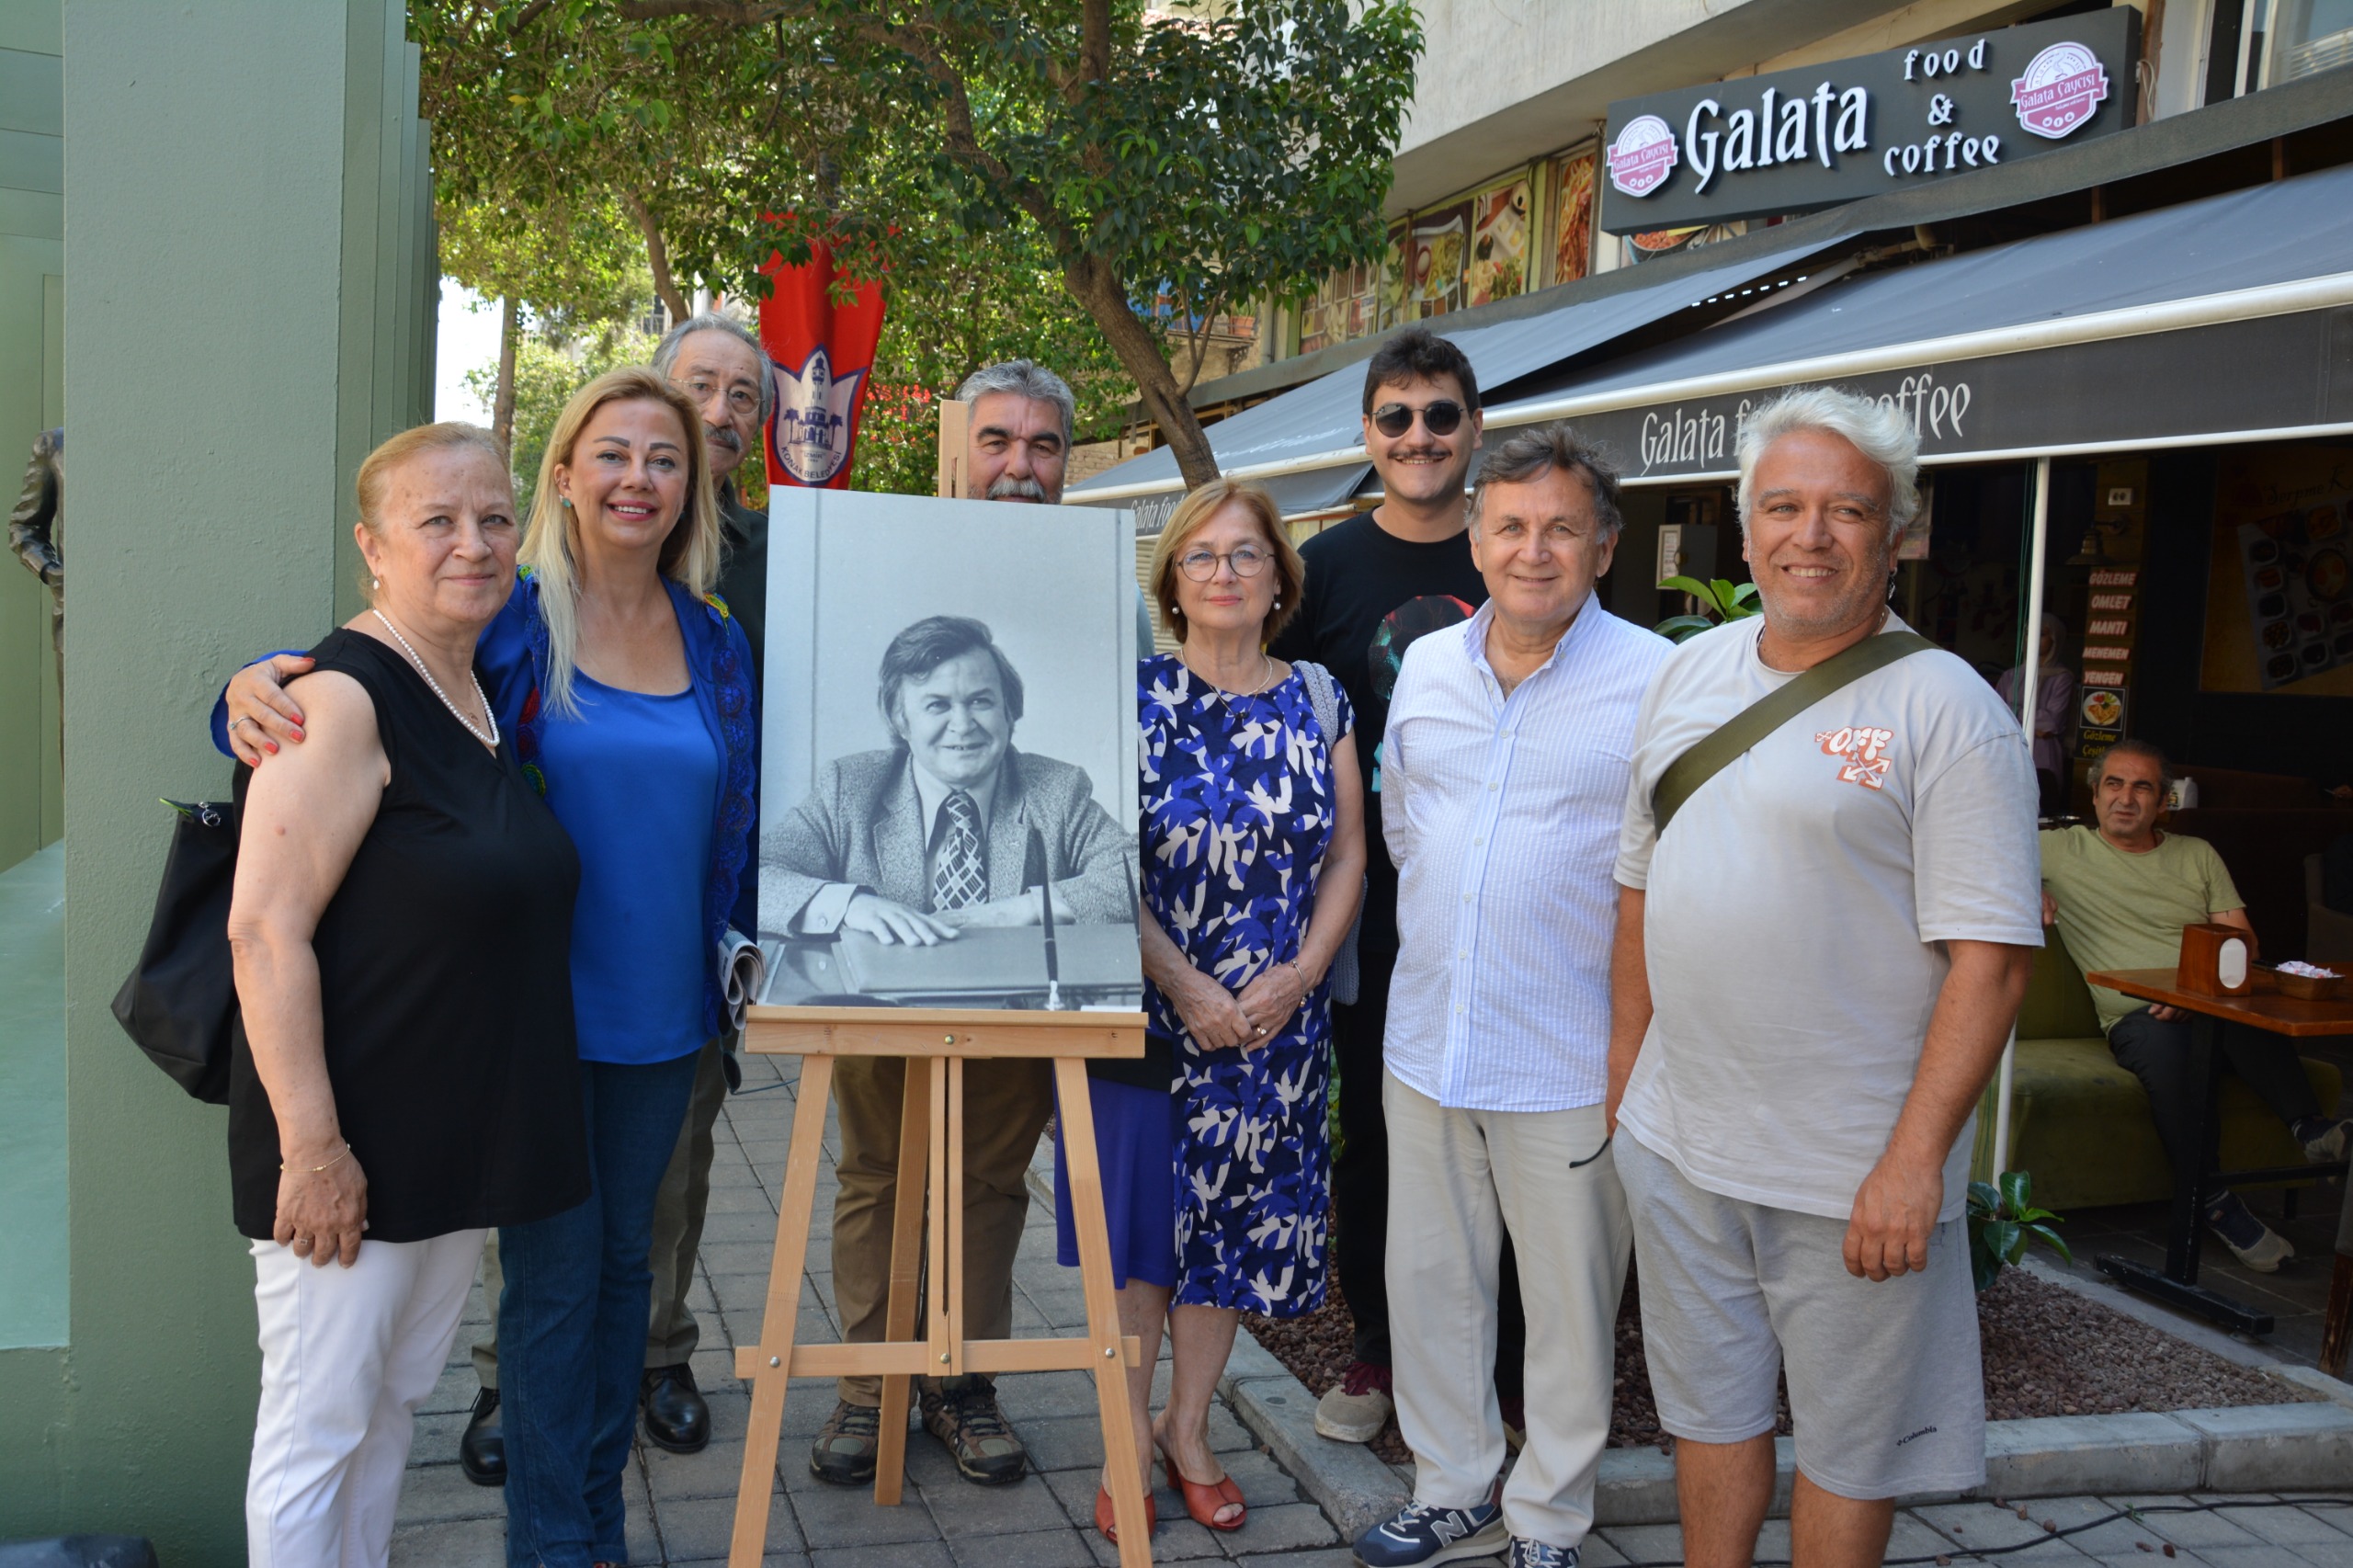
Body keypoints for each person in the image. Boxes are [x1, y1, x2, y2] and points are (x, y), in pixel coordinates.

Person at [218, 316, 776, 1481]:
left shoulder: (718, 640)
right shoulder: (512, 619)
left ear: (696, 484)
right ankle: (551, 1527)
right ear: (563, 475)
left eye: (665, 459)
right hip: (533, 1011)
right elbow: (372, 676)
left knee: (628, 1262)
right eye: (613, 454)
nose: (640, 479)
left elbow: (749, 801)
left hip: (668, 1012)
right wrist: (247, 692)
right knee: (552, 1281)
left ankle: (591, 1511)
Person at [1607, 387, 2041, 1568]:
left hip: (1851, 1172)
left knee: (1852, 1452)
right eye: (1784, 506)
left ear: (1895, 532)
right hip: (1683, 1139)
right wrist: (1622, 1091)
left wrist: (1913, 1163)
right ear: (1742, 529)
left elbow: (1991, 965)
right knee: (1705, 1415)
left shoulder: (1947, 708)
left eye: (1846, 509)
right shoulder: (1684, 674)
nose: (1812, 534)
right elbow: (1641, 888)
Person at [228, 423, 587, 1566]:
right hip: (347, 1146)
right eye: (436, 521)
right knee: (317, 1430)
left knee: (387, 1414)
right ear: (371, 546)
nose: (472, 544)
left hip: (447, 1144)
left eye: (492, 518)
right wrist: (314, 1150)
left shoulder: (472, 689)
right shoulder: (340, 697)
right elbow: (262, 928)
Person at [798, 358, 1131, 1488]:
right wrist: (853, 902)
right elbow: (780, 862)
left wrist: (997, 911)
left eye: (1043, 445)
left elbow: (1110, 871)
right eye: (997, 441)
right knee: (877, 1175)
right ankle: (863, 1387)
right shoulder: (854, 778)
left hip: (1013, 1002)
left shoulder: (1097, 606)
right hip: (872, 1008)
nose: (1020, 466)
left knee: (987, 1179)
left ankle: (964, 1380)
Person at [1351, 426, 1667, 1568]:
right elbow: (1405, 832)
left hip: (1570, 1051)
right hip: (1428, 1038)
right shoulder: (1428, 665)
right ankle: (1451, 1486)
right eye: (1512, 526)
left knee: (1573, 1308)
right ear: (1477, 540)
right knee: (1430, 1282)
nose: (1534, 549)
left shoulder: (1654, 679)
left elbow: (1669, 870)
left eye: (1560, 528)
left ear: (1603, 545)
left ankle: (1547, 1514)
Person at [1066, 478, 1365, 1543]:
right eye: (1203, 555)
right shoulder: (1129, 695)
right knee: (1146, 1244)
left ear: (1281, 575)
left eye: (1247, 553)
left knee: (1231, 1243)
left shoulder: (1321, 697)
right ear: (1173, 580)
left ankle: (1187, 1429)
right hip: (1151, 1025)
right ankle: (1119, 1439)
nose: (1227, 572)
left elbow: (1347, 856)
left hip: (1276, 1031)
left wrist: (1299, 973)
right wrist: (1183, 984)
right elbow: (1099, 860)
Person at [1270, 325, 1532, 1449]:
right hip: (1374, 906)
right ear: (1367, 436)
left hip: (1523, 902)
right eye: (1396, 417)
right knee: (1379, 1133)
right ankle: (1378, 1343)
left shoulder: (1515, 550)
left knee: (1516, 1126)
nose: (1419, 436)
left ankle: (1515, 1367)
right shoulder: (1321, 571)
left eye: (1440, 415)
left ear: (1473, 428)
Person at [2040, 739, 2350, 1271]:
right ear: (2093, 796)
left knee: (2252, 1021)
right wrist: (2020, 882)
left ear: (2166, 802)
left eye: (2143, 787)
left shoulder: (2197, 854)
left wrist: (2197, 988)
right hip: (2136, 1014)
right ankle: (2215, 1203)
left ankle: (2310, 1130)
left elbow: (2242, 942)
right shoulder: (2058, 849)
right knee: (2172, 1057)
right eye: (2113, 784)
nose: (2126, 798)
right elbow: (1962, 848)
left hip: (2208, 997)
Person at [765, 612, 1131, 941]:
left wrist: (1026, 909)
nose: (962, 725)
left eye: (980, 701)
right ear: (900, 719)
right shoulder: (849, 789)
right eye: (937, 705)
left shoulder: (1056, 790)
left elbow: (1134, 875)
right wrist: (849, 905)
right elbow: (762, 876)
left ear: (1009, 710)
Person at [1996, 612, 2074, 817]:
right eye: (2029, 633)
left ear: (2055, 639)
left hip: (2044, 753)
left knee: (2041, 810)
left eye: (2042, 634)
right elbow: (1996, 715)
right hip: (2010, 749)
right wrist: (2028, 720)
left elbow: (2052, 722)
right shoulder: (2010, 675)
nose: (2034, 639)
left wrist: (2014, 711)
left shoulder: (2062, 678)